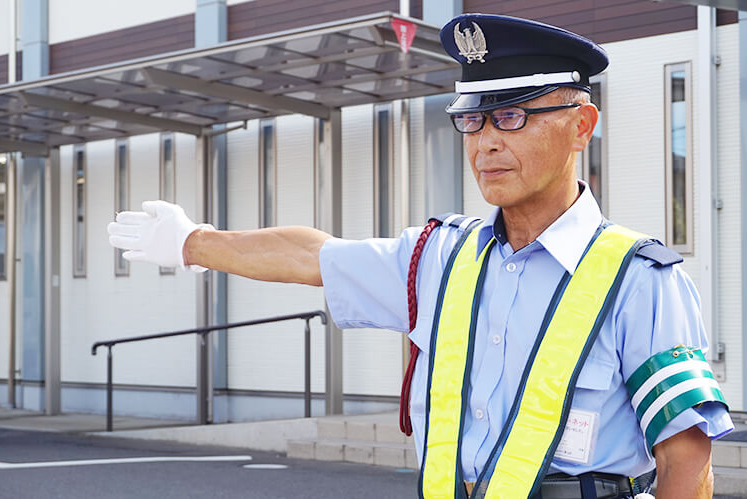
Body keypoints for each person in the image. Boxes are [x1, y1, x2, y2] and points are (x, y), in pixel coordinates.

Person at [108, 13, 733, 499]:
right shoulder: (442, 257)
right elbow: (315, 255)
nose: (487, 143)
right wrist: (193, 243)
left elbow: (687, 460)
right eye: (473, 121)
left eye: (512, 117)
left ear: (580, 123)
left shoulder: (639, 278)